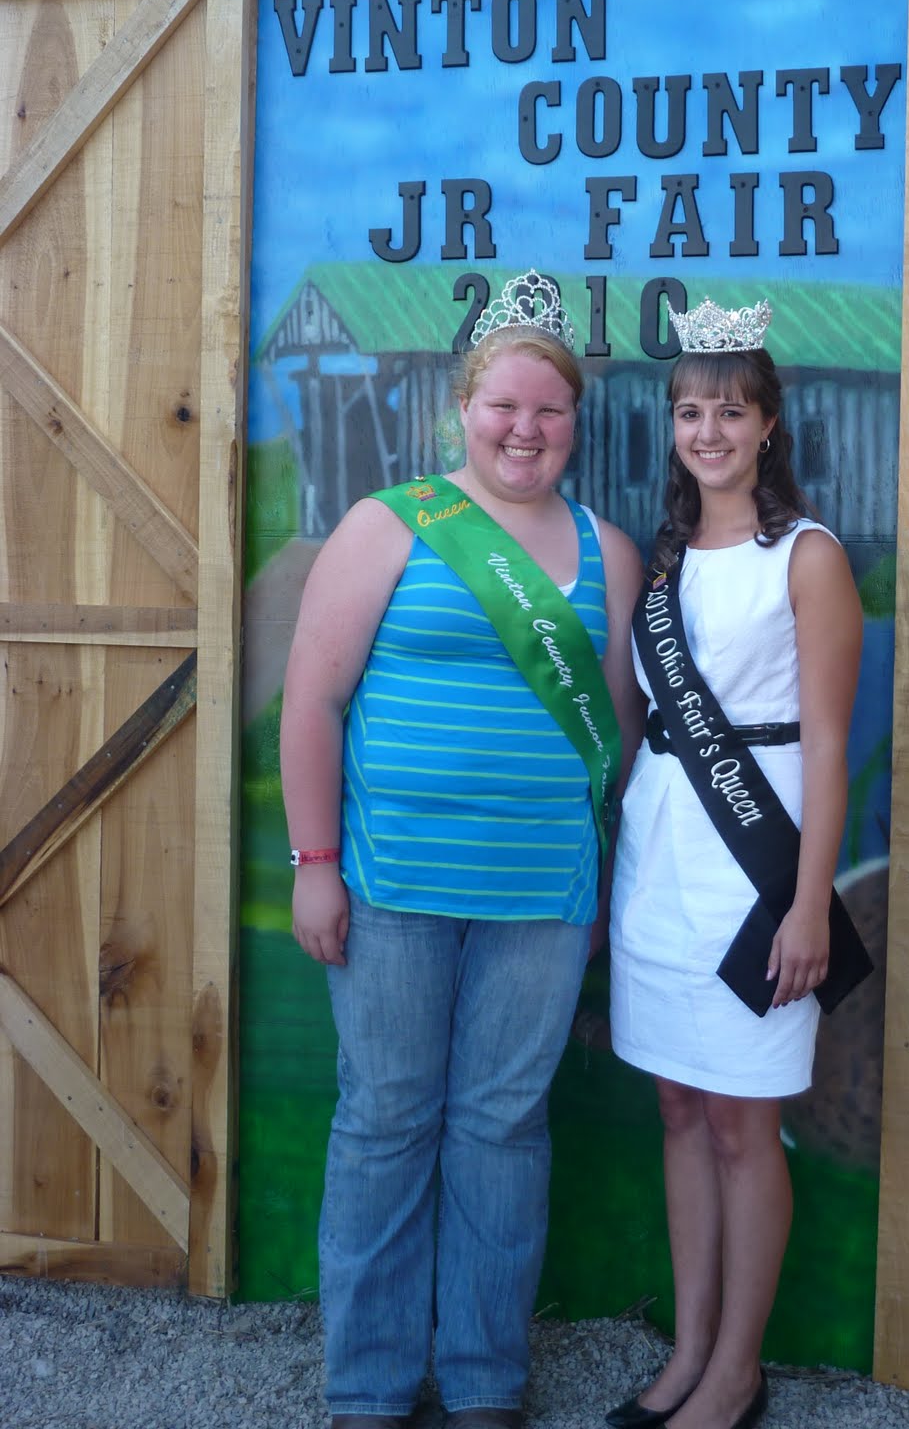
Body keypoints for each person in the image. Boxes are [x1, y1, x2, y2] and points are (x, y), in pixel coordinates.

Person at [279, 270, 643, 1429]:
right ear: (462, 408)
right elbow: (310, 701)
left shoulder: (611, 551)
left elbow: (618, 738)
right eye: (504, 407)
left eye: (549, 410)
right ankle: (372, 1386)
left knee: (501, 1127)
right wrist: (315, 863)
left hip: (544, 897)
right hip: (389, 887)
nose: (525, 429)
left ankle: (484, 1381)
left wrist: (597, 880)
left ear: (575, 422)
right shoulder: (390, 524)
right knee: (386, 1121)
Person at [605, 297, 864, 1429]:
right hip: (659, 858)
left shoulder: (806, 557)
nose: (707, 429)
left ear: (768, 425)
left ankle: (737, 1372)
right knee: (676, 1109)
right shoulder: (662, 562)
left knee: (741, 1123)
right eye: (690, 410)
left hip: (757, 878)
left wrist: (811, 906)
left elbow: (829, 744)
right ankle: (691, 1348)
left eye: (730, 410)